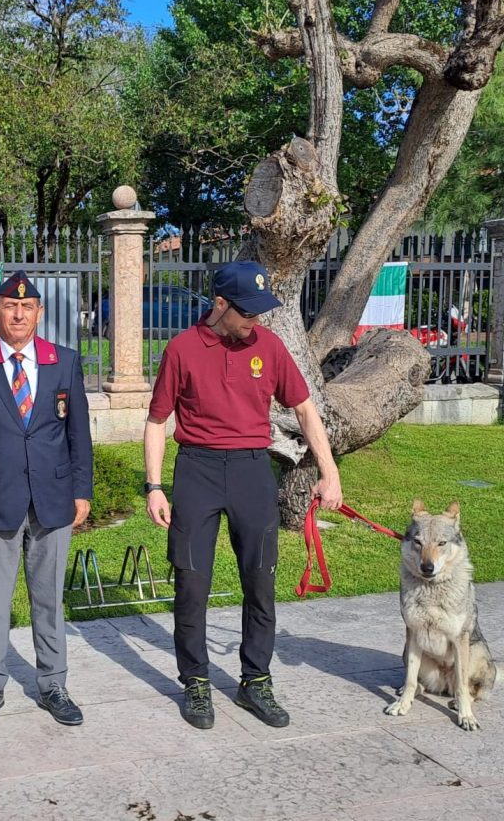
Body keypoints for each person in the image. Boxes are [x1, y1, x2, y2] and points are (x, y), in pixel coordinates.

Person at [143, 261, 342, 731]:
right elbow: (156, 422)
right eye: (247, 312)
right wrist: (154, 486)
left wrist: (329, 470)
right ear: (220, 305)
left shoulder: (268, 347)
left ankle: (256, 680)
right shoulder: (182, 349)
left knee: (261, 580)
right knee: (192, 582)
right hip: (198, 470)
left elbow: (307, 411)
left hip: (254, 469)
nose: (255, 321)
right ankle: (195, 680)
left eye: (260, 311)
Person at [0, 270, 93, 728]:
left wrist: (82, 490)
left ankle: (53, 683)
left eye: (27, 307)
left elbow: (78, 432)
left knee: (48, 598)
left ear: (39, 312)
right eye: (9, 305)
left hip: (53, 498)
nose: (18, 314)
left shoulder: (63, 361)